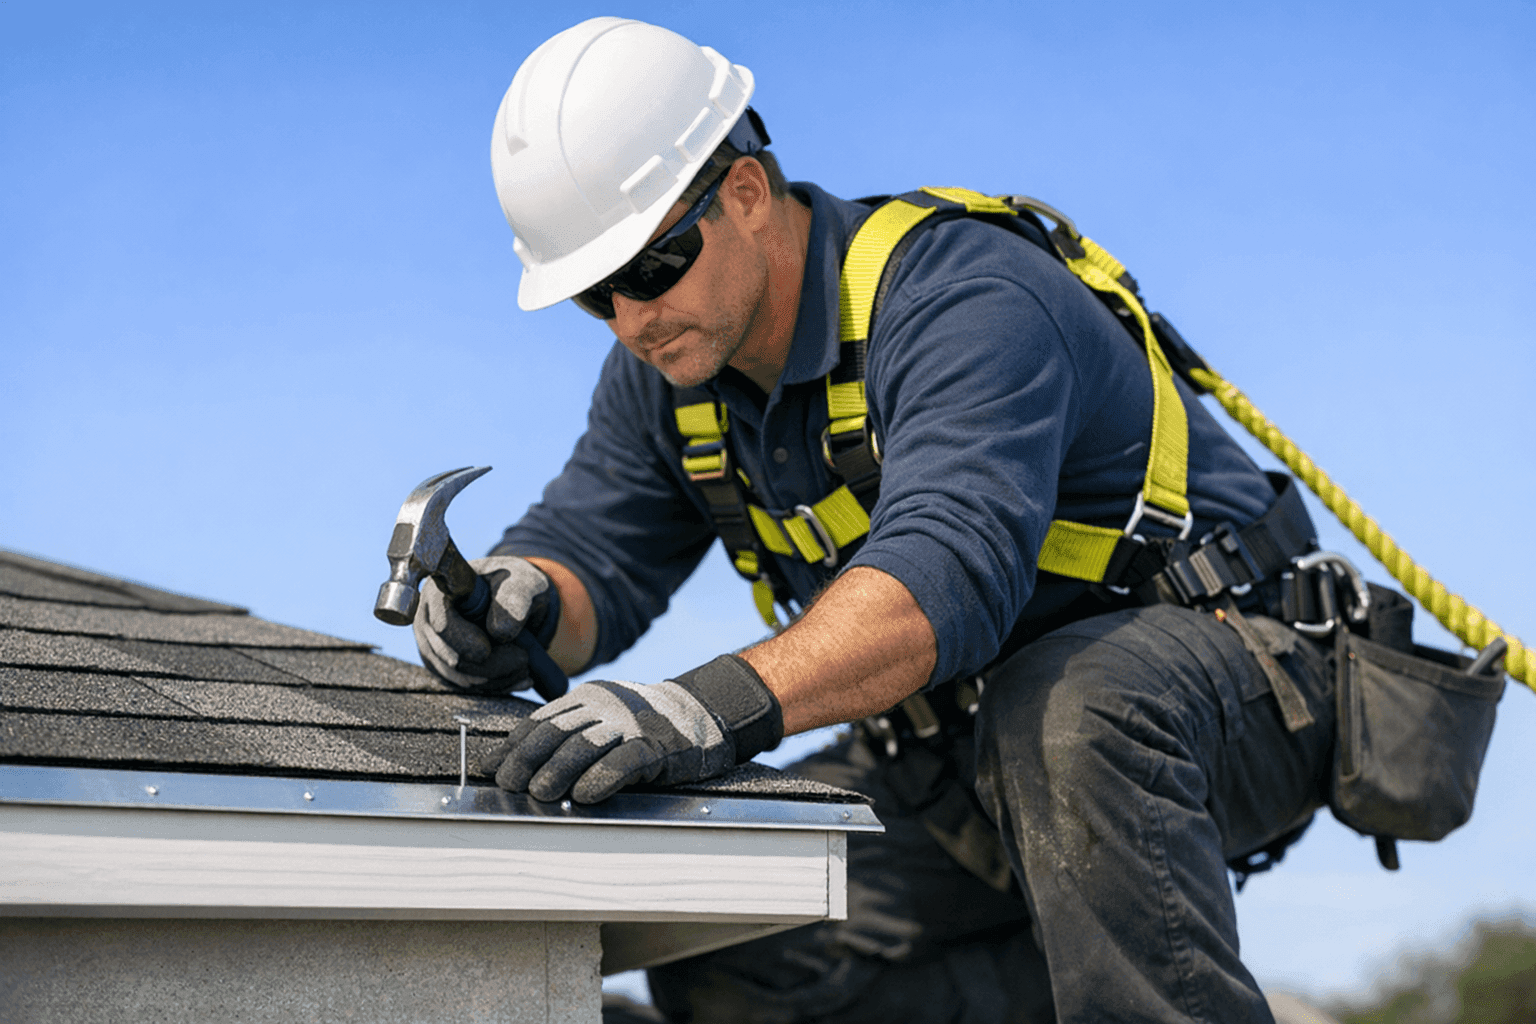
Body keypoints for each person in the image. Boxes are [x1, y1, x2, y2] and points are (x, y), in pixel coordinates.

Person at [413, 17, 1341, 1024]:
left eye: (652, 267)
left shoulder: (962, 298)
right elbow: (597, 548)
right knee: (729, 939)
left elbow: (946, 576)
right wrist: (519, 603)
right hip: (965, 759)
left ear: (746, 193)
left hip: (1233, 688)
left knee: (1069, 713)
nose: (633, 321)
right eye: (596, 296)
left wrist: (699, 708)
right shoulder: (668, 376)